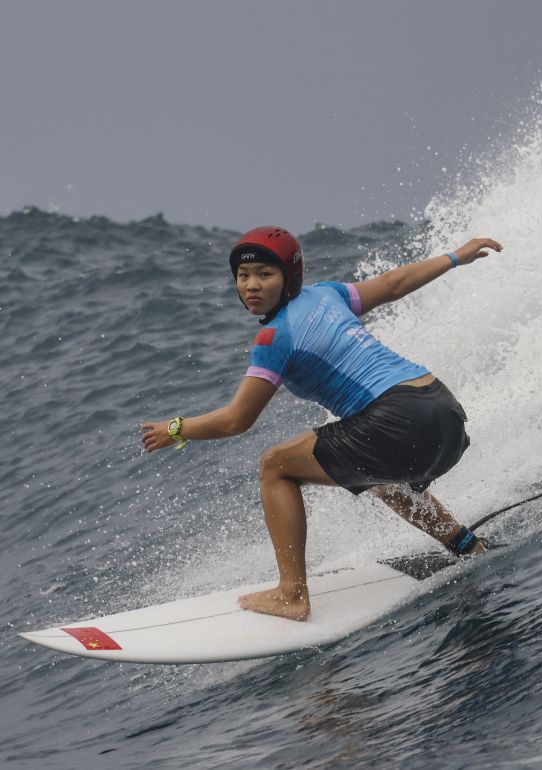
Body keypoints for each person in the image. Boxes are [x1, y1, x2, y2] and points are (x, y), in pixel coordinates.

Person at [142, 226, 503, 621]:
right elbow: (393, 284)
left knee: (275, 466)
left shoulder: (274, 338)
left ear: (289, 277)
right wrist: (455, 257)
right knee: (382, 479)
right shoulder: (328, 294)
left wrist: (176, 429)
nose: (251, 285)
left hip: (401, 422)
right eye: (243, 276)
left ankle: (291, 594)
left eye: (265, 274)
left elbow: (236, 420)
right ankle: (465, 544)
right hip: (443, 411)